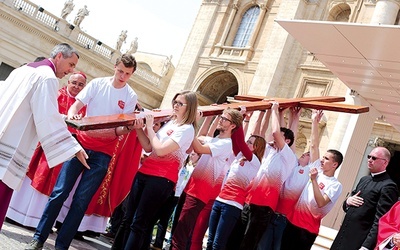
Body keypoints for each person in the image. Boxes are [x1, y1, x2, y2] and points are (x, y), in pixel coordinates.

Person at [26, 53, 138, 250]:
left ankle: (62, 246)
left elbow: (122, 129)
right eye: (120, 71)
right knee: (59, 193)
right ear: (115, 67)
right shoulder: (97, 84)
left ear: (131, 74)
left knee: (80, 202)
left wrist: (128, 128)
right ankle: (39, 238)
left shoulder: (130, 96)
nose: (122, 76)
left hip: (104, 154)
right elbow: (77, 104)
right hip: (79, 145)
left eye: (127, 74)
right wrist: (72, 116)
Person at [0, 43, 88, 231]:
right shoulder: (48, 78)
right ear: (58, 57)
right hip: (14, 144)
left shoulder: (23, 70)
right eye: (70, 64)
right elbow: (46, 117)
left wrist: (62, 118)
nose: (71, 70)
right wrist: (74, 148)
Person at [112, 90, 198, 250]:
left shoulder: (187, 129)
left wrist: (150, 128)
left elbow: (161, 150)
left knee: (139, 222)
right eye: (175, 102)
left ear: (189, 107)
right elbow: (149, 146)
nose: (175, 106)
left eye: (180, 103)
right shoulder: (171, 123)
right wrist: (140, 128)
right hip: (144, 172)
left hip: (161, 179)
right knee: (127, 218)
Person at [171, 109, 243, 250]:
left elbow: (199, 146)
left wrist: (191, 123)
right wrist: (208, 118)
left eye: (224, 119)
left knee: (181, 234)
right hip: (191, 187)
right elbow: (201, 137)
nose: (221, 120)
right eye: (221, 117)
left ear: (233, 125)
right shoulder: (216, 140)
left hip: (199, 192)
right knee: (177, 229)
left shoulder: (226, 144)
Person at [281, 110, 343, 250]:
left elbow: (321, 202)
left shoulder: (335, 185)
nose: (322, 159)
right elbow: (314, 145)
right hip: (291, 221)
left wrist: (314, 180)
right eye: (323, 156)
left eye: (326, 158)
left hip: (307, 229)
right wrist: (315, 121)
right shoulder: (318, 169)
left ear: (335, 165)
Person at [239, 101, 297, 250]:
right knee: (237, 239)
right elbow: (257, 136)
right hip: (249, 200)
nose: (274, 139)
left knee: (249, 244)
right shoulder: (270, 151)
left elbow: (275, 132)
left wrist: (274, 110)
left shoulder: (288, 157)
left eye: (280, 137)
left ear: (287, 141)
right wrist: (281, 114)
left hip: (264, 205)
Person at [206, 131, 266, 250]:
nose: (246, 143)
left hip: (232, 205)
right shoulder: (239, 156)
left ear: (256, 147)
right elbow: (235, 138)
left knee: (218, 244)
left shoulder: (255, 162)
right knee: (210, 240)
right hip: (220, 200)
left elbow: (240, 143)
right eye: (247, 141)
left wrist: (238, 120)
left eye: (250, 142)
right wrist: (239, 119)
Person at [331, 146, 399, 250]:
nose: (370, 160)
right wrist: (348, 202)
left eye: (374, 158)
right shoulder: (364, 179)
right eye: (369, 156)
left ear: (385, 162)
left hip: (359, 241)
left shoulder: (389, 186)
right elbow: (348, 204)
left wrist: (366, 246)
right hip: (343, 236)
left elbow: (381, 220)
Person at [149, 150, 199, 250]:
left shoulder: (194, 169)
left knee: (165, 218)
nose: (191, 155)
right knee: (157, 216)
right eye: (191, 153)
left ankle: (159, 243)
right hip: (171, 190)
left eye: (195, 154)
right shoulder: (185, 164)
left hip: (177, 195)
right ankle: (153, 240)